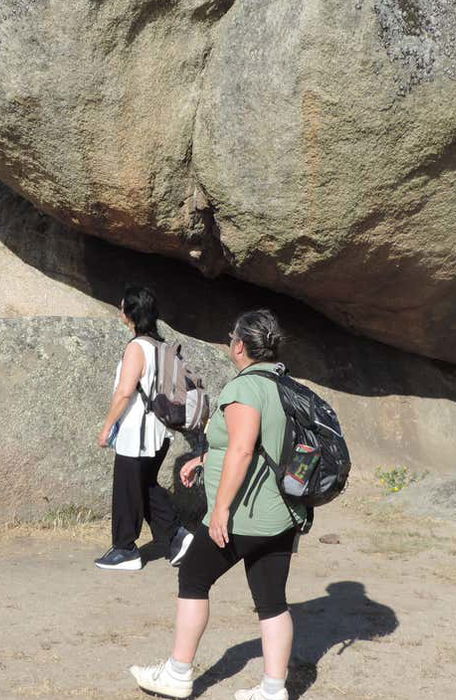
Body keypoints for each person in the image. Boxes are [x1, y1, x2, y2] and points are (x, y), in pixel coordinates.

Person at [129, 308, 305, 700]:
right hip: (282, 513)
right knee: (272, 600)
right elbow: (263, 444)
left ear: (239, 345)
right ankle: (274, 689)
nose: (230, 343)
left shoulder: (244, 388)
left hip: (245, 514)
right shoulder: (281, 382)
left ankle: (177, 673)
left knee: (193, 576)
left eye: (231, 337)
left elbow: (243, 450)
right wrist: (205, 459)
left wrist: (221, 509)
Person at [94, 285, 194, 571]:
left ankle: (125, 549)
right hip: (160, 433)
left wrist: (107, 427)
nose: (119, 311)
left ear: (131, 314)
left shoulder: (137, 347)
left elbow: (125, 392)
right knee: (145, 487)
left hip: (137, 433)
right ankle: (177, 537)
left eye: (122, 307)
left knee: (127, 490)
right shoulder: (161, 347)